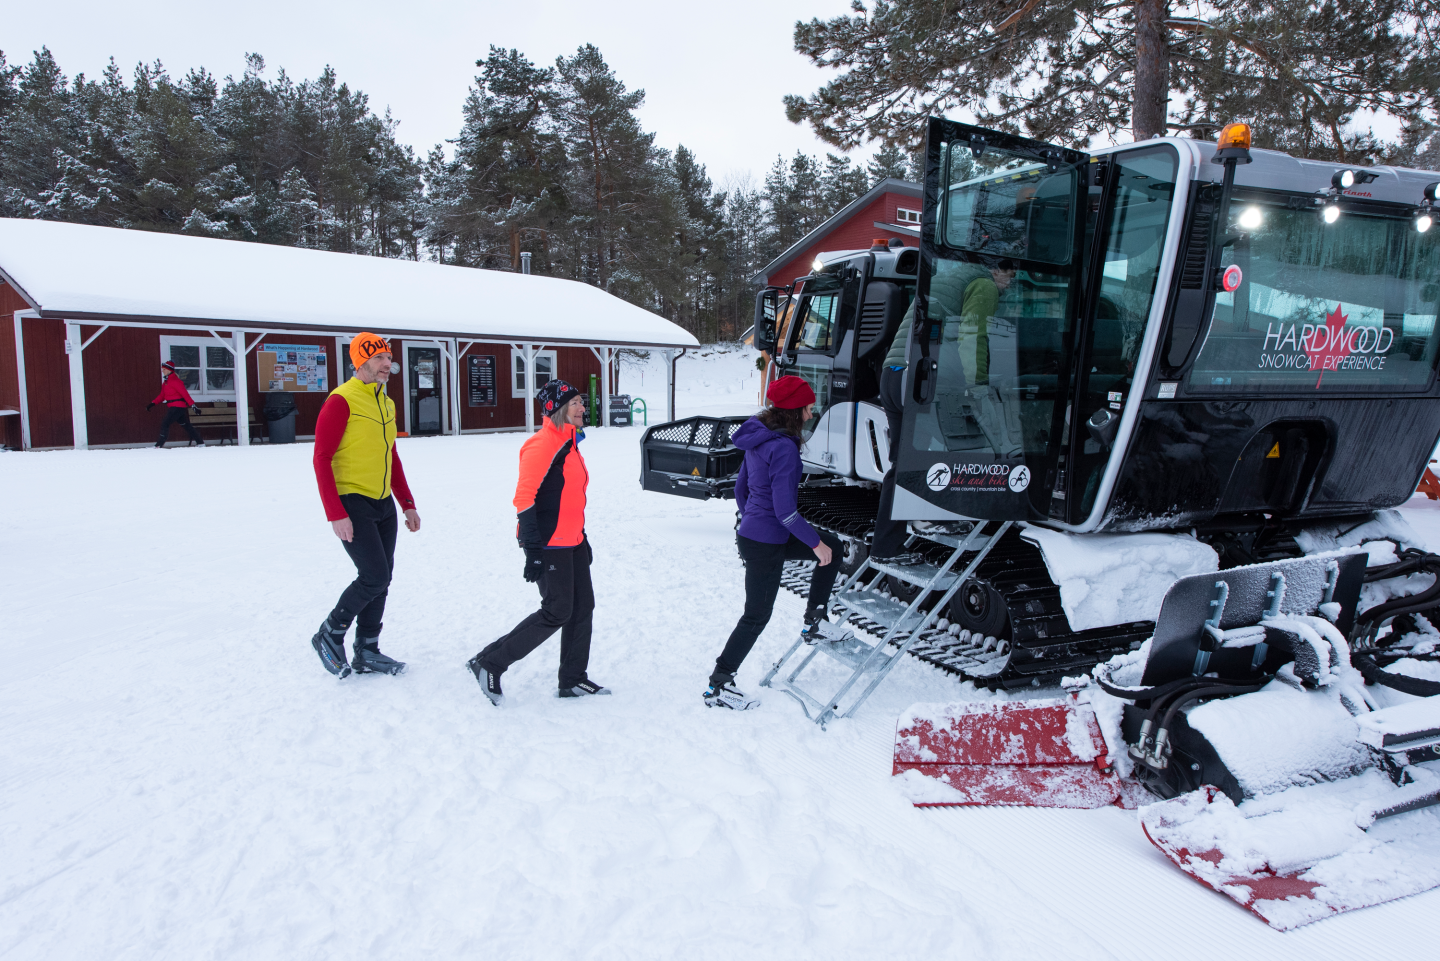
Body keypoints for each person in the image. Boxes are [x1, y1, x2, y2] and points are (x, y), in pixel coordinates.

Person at [704, 375, 845, 711]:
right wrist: (814, 545)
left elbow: (742, 491)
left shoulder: (759, 437)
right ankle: (720, 684)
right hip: (766, 542)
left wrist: (753, 517)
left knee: (835, 545)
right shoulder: (783, 448)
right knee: (756, 616)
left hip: (759, 535)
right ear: (796, 411)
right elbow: (785, 512)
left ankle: (816, 621)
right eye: (809, 408)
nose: (812, 415)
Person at [467, 378, 609, 706]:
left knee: (582, 607)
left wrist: (582, 538)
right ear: (555, 408)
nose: (582, 407)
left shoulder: (570, 443)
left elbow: (569, 496)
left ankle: (572, 680)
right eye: (574, 403)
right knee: (557, 610)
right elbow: (524, 498)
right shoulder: (543, 443)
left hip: (571, 541)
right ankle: (491, 664)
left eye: (581, 402)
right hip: (548, 542)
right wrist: (532, 550)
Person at [309, 332, 420, 679]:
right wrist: (335, 513)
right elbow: (321, 457)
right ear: (360, 363)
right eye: (379, 359)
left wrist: (407, 504)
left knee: (382, 578)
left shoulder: (386, 403)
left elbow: (391, 455)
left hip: (382, 502)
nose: (387, 364)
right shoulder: (342, 400)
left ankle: (367, 649)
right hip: (351, 499)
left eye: (388, 358)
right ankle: (330, 631)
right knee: (373, 576)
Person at [148, 360, 204, 447]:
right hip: (174, 407)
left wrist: (193, 406)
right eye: (162, 369)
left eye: (164, 369)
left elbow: (185, 395)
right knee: (186, 425)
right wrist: (152, 403)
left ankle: (159, 445)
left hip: (177, 407)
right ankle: (200, 442)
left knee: (165, 423)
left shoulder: (176, 382)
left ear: (170, 370)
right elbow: (162, 395)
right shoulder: (166, 382)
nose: (162, 371)